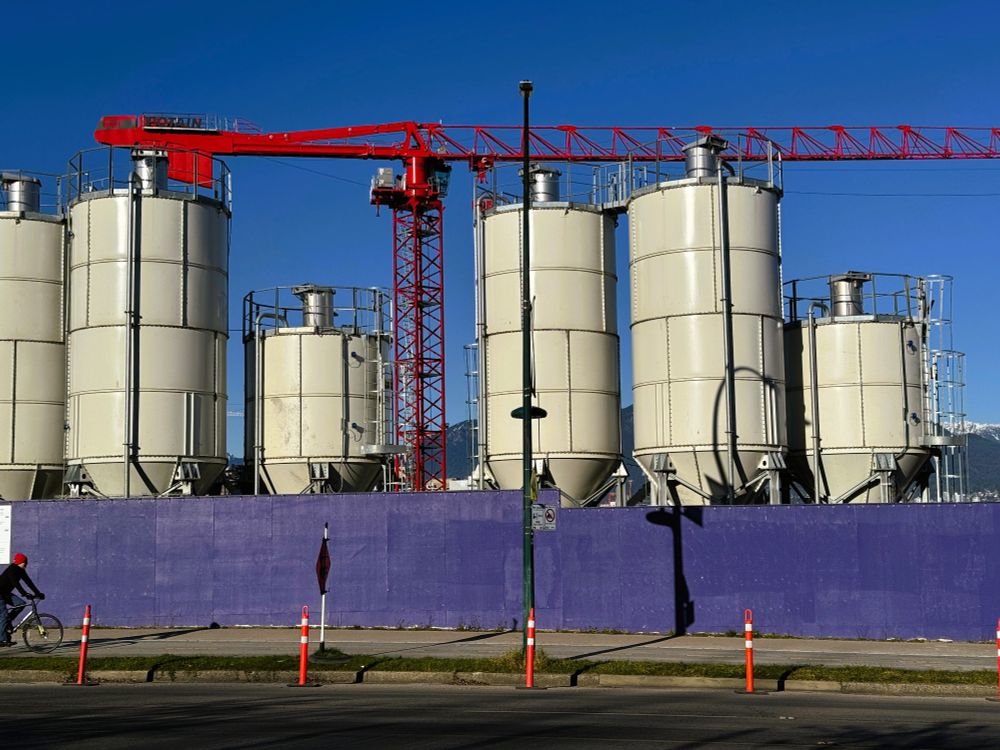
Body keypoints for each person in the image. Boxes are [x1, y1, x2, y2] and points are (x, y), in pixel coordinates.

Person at [0, 553, 44, 646]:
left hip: (5, 593)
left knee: (21, 604)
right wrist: (24, 593)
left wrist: (38, 593)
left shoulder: (21, 571)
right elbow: (15, 582)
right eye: (25, 563)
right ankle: (2, 639)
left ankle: (7, 623)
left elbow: (29, 582)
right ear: (21, 562)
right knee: (4, 615)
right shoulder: (12, 569)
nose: (26, 565)